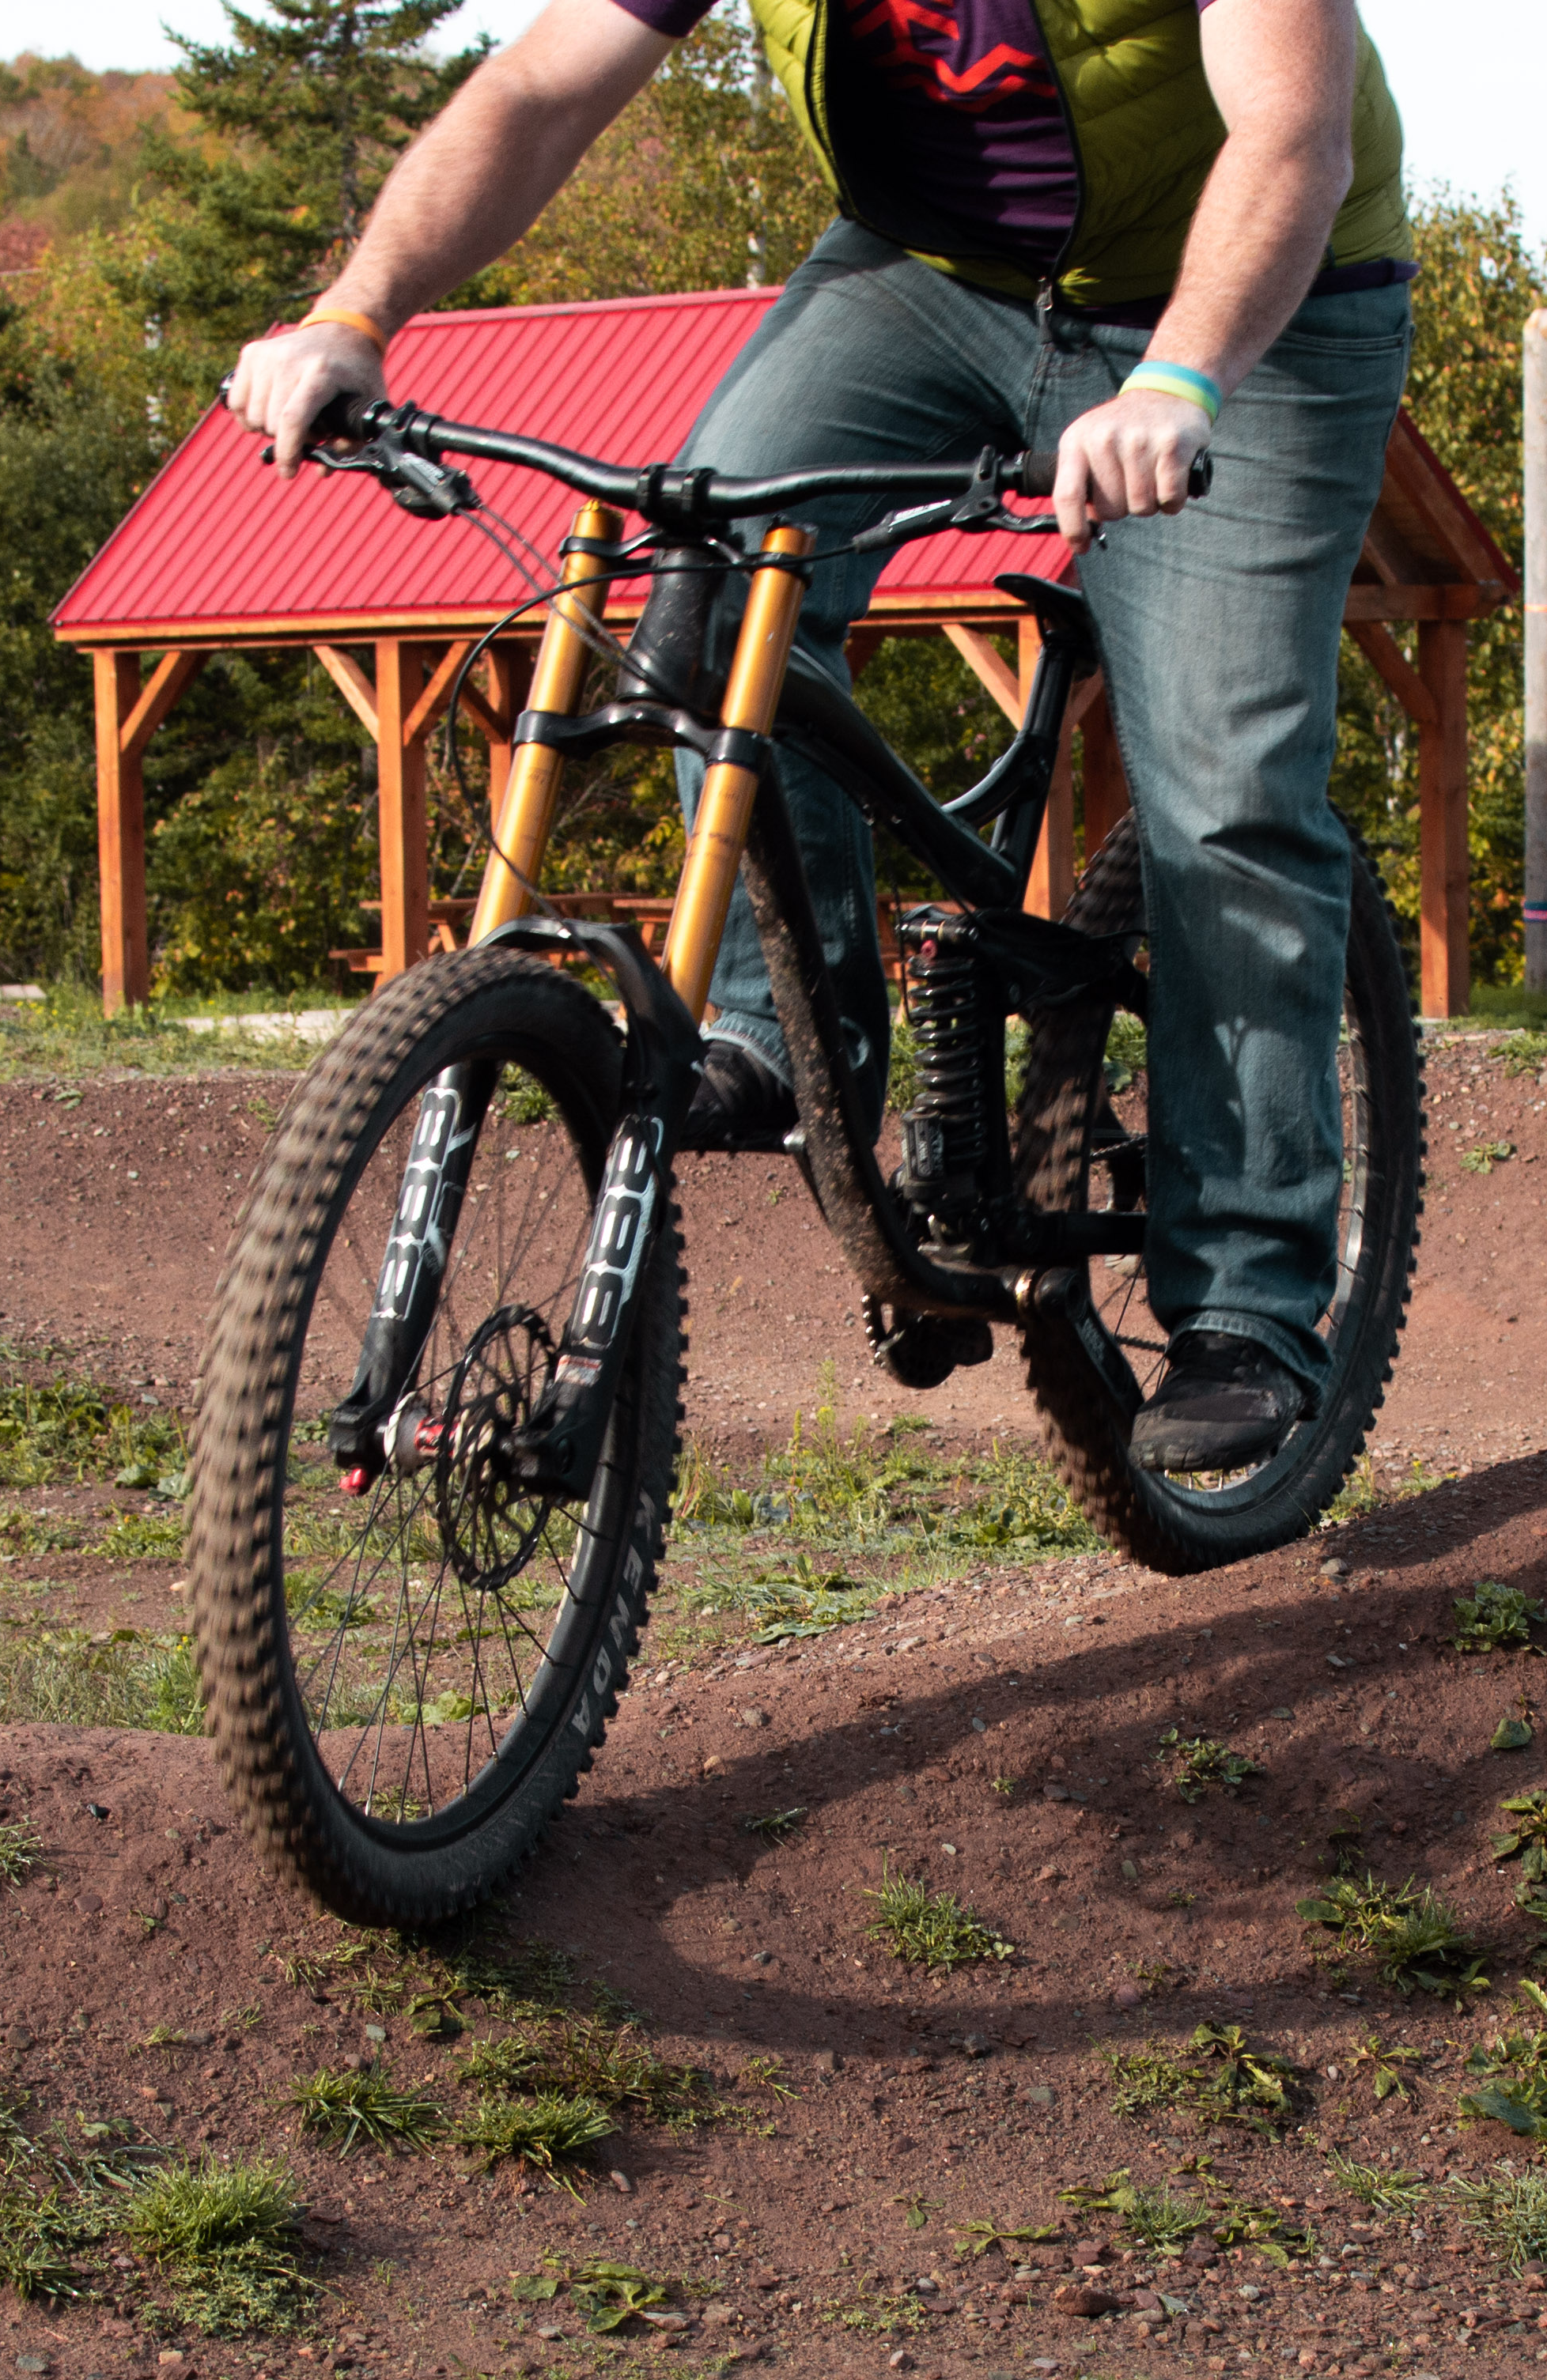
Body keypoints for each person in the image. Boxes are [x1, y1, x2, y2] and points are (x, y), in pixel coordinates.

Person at [223, 0, 1413, 1476]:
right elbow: (542, 85)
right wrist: (357, 309)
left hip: (1256, 298)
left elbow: (1294, 134)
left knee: (1226, 790)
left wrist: (1176, 379)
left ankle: (1248, 1300)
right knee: (705, 596)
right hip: (935, 279)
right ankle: (782, 1034)